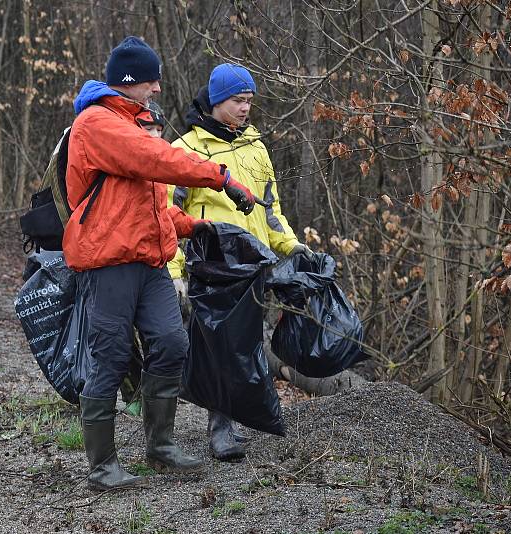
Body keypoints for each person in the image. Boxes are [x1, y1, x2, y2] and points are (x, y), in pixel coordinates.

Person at [64, 37, 258, 491]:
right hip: (108, 262)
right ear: (129, 81)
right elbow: (155, 160)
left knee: (172, 341)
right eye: (151, 81)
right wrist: (220, 177)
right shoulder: (97, 124)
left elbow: (144, 203)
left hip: (149, 261)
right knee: (110, 356)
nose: (156, 88)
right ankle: (102, 465)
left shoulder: (137, 124)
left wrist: (190, 225)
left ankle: (160, 445)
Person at [169, 63, 311, 462]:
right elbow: (168, 213)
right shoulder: (187, 151)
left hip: (254, 267)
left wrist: (290, 246)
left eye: (249, 101)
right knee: (218, 349)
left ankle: (231, 421)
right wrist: (176, 270)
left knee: (247, 347)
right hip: (212, 266)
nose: (246, 108)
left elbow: (271, 211)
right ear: (217, 101)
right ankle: (218, 431)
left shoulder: (257, 147)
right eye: (238, 101)